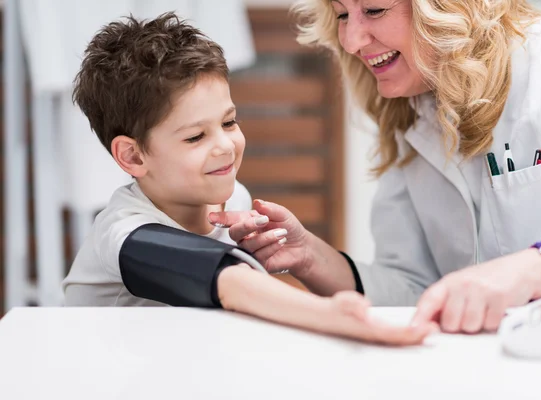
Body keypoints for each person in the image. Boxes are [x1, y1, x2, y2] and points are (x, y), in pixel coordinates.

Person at [209, 0, 541, 334]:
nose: (350, 40)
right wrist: (310, 257)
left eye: (374, 9)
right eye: (342, 14)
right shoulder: (411, 112)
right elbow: (414, 289)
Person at [61, 12, 435, 346]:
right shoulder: (122, 232)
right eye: (195, 137)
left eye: (229, 122)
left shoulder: (233, 200)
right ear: (133, 155)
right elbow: (228, 281)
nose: (225, 145)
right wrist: (328, 316)